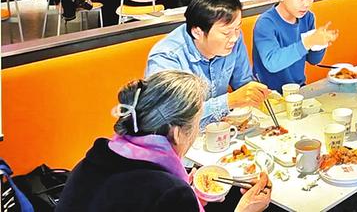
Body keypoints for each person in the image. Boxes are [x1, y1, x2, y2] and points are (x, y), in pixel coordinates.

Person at [57, 70, 272, 212]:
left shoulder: (90, 163)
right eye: (197, 123)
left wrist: (189, 194)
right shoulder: (170, 194)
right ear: (177, 132)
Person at [146, 0, 271, 127]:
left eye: (237, 28)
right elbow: (166, 115)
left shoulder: (234, 39)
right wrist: (228, 101)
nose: (234, 38)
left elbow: (243, 82)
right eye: (226, 33)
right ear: (197, 32)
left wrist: (254, 92)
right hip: (178, 136)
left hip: (221, 130)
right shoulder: (168, 56)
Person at [252, 0, 338, 91]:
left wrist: (320, 43)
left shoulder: (308, 18)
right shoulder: (266, 23)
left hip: (298, 88)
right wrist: (307, 42)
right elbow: (272, 63)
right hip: (268, 93)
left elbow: (313, 60)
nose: (307, 4)